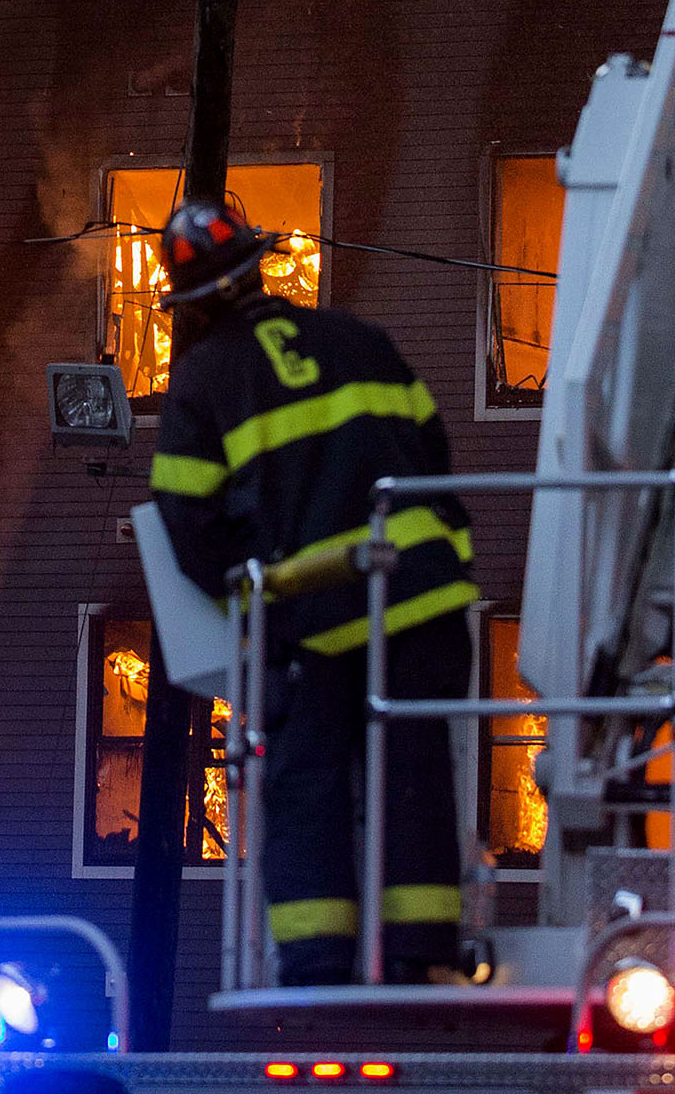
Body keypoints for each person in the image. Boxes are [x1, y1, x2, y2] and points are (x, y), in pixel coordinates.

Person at [148, 196, 476, 985]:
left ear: (188, 304)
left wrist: (251, 596)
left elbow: (185, 521)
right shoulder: (360, 339)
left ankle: (318, 956)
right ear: (257, 265)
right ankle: (420, 948)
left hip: (319, 617)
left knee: (306, 782)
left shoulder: (204, 381)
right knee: (416, 770)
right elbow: (433, 454)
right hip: (424, 596)